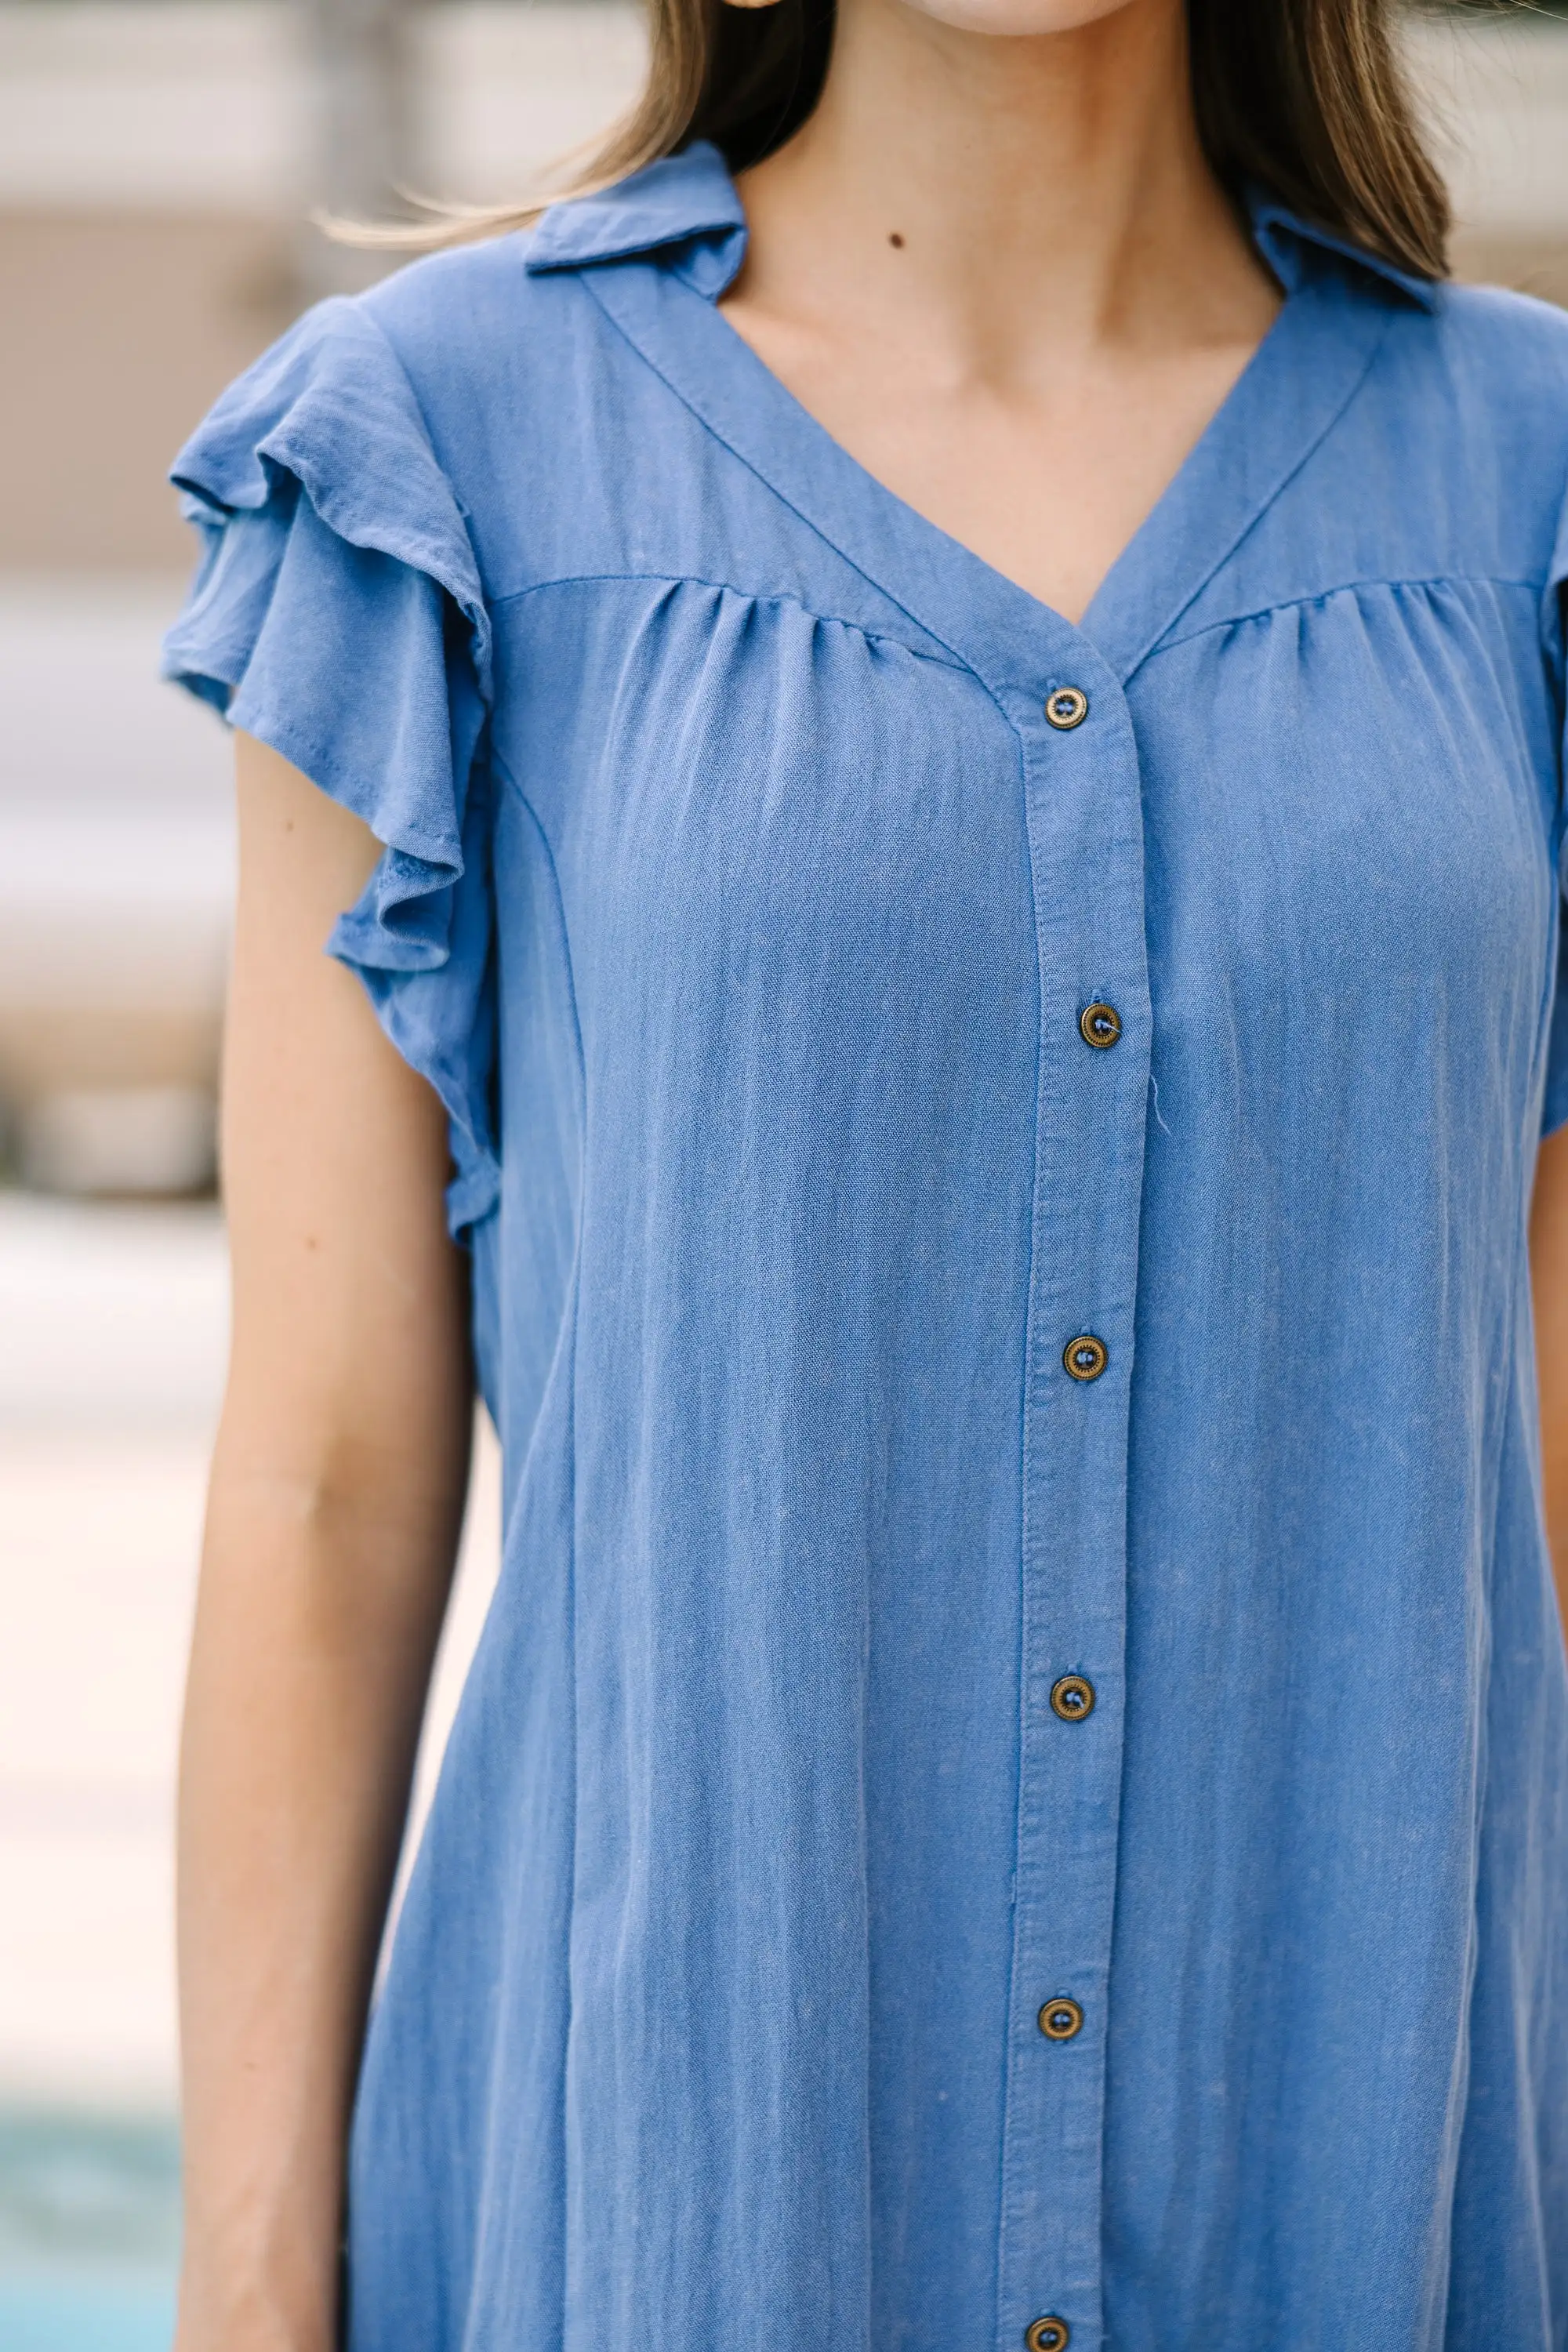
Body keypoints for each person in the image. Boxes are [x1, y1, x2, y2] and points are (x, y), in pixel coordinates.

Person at [162, 0, 1568, 2343]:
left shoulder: (1527, 488)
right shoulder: (441, 456)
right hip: (674, 2201)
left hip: (1353, 2199)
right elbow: (322, 1476)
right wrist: (242, 2289)